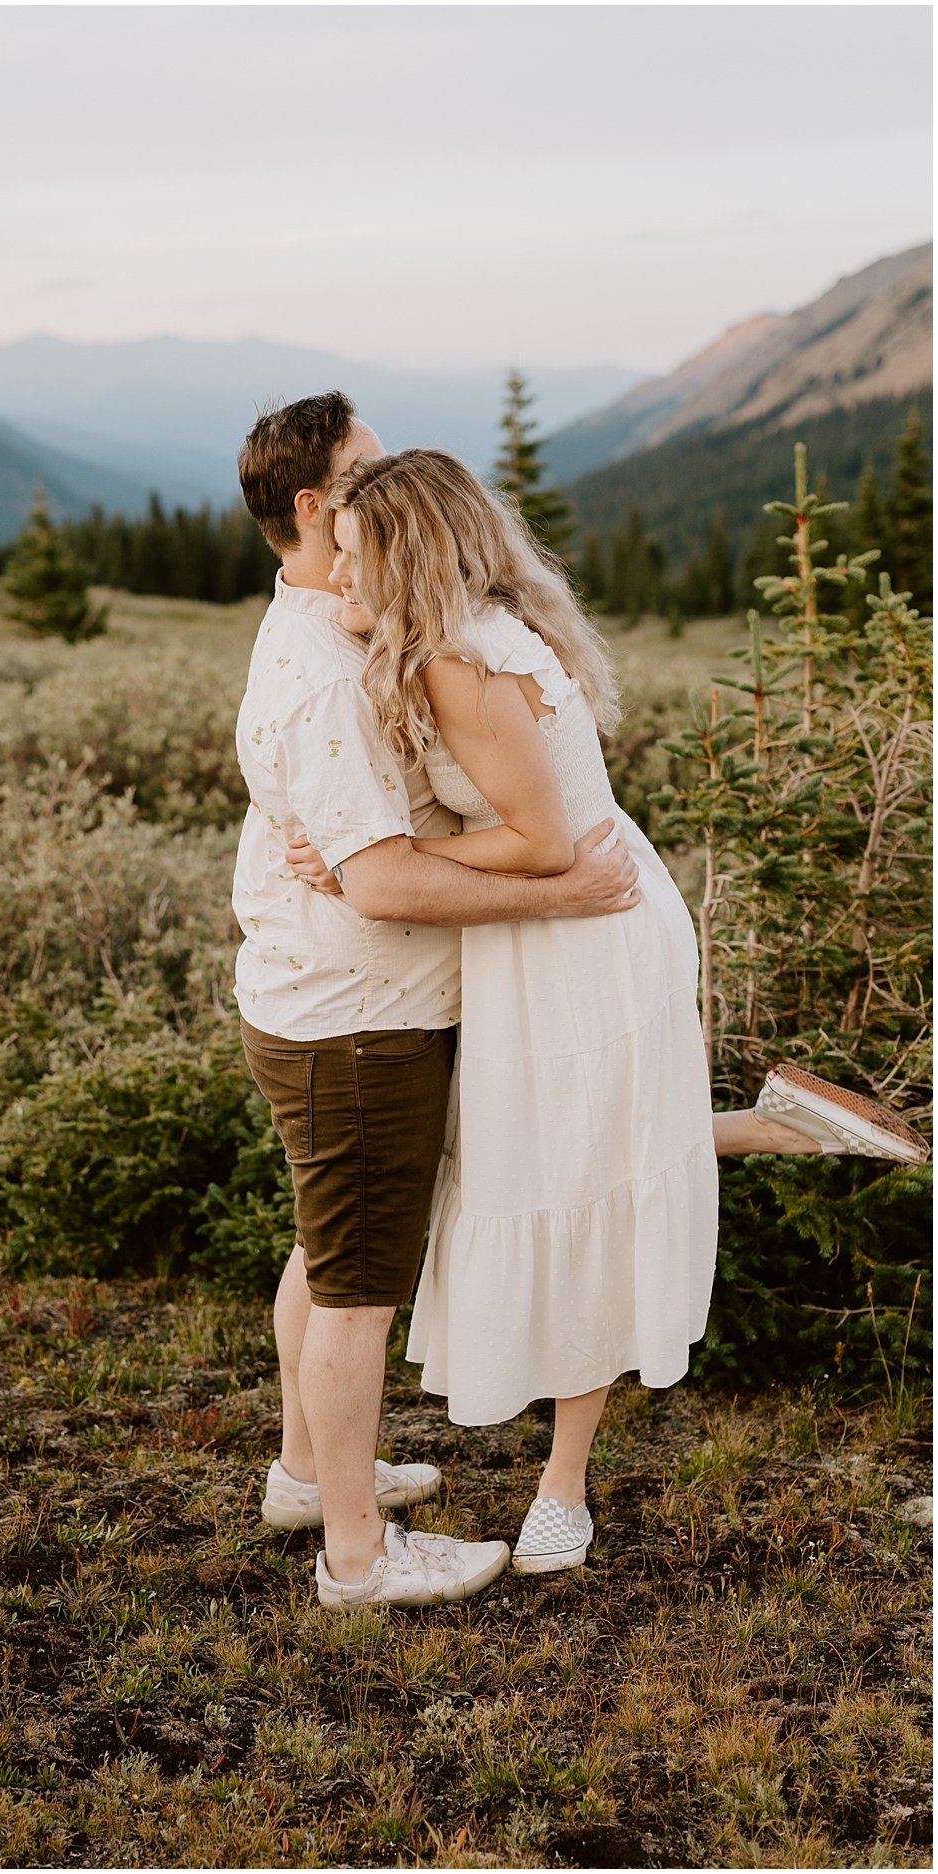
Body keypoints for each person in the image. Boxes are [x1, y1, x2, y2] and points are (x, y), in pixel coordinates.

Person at [309, 446, 926, 1577]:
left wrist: (388, 856)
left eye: (350, 555)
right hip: (549, 930)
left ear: (405, 555)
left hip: (580, 930)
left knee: (582, 1185)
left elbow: (542, 839)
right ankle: (774, 1124)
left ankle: (563, 1485)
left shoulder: (460, 657)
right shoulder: (457, 632)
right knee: (561, 1163)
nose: (332, 574)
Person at [229, 393, 643, 1611]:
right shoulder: (319, 675)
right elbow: (380, 880)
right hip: (356, 1009)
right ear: (316, 508)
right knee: (360, 1278)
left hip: (328, 994)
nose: (389, 478)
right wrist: (564, 892)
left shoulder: (355, 626)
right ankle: (357, 1553)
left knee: (326, 1242)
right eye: (365, 470)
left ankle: (310, 1473)